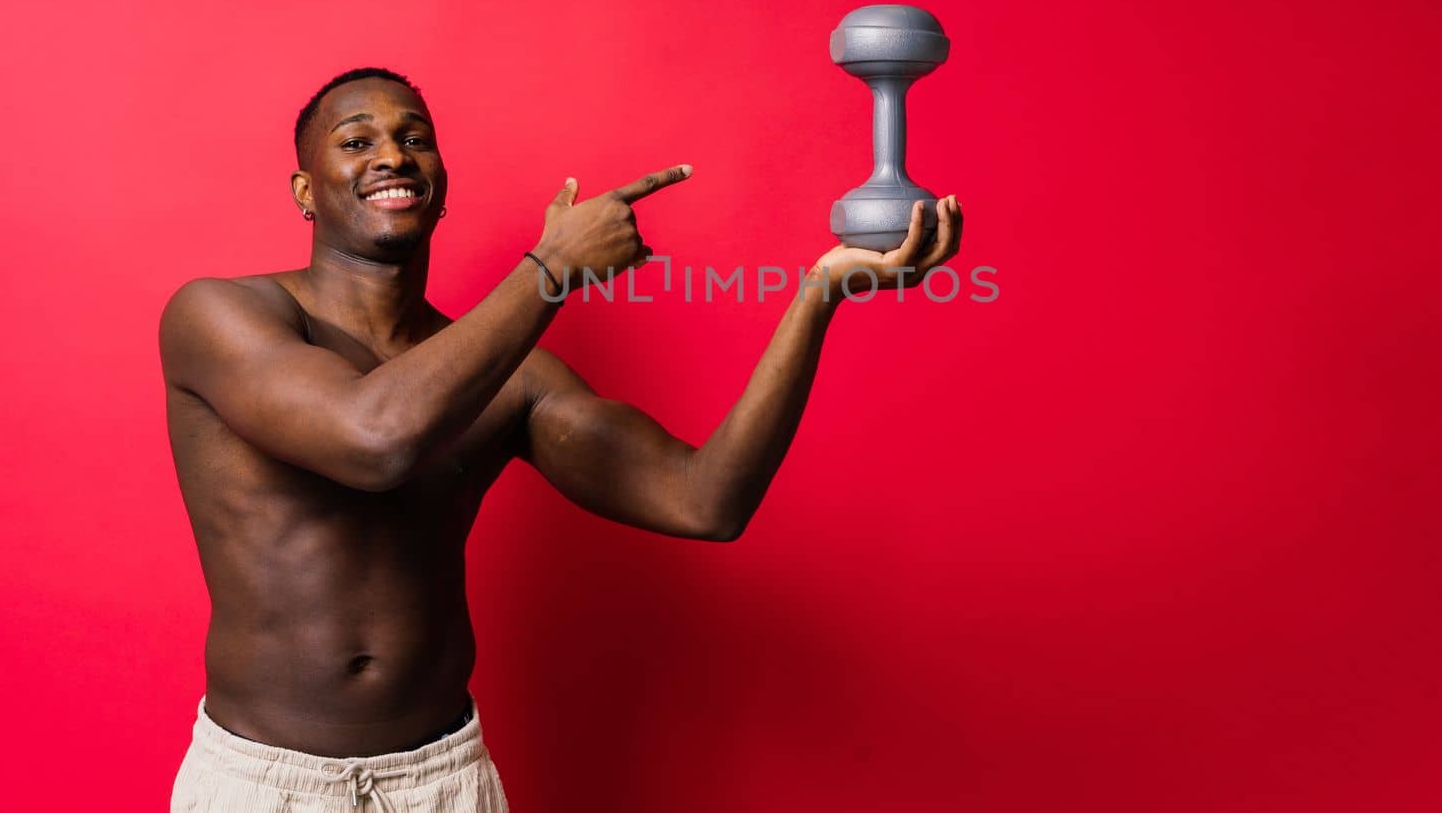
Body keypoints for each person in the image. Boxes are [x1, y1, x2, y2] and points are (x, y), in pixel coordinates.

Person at [159, 67, 964, 810]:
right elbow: (374, 438)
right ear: (306, 188)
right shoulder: (219, 316)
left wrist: (819, 293)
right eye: (357, 139)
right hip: (264, 783)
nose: (391, 154)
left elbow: (704, 499)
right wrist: (548, 271)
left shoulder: (510, 379)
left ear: (441, 185)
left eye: (414, 136)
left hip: (443, 782)